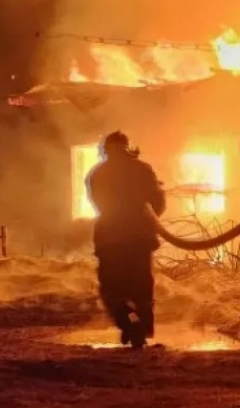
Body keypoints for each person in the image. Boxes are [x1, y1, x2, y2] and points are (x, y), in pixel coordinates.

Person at [86, 131, 166, 349]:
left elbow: (99, 203)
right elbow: (157, 202)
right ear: (127, 147)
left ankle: (129, 323)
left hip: (111, 241)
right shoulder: (143, 169)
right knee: (141, 287)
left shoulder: (98, 173)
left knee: (113, 290)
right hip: (140, 239)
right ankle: (139, 327)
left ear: (106, 149)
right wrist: (147, 219)